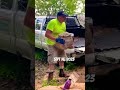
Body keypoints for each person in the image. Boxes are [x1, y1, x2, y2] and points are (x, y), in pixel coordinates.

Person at [45, 11, 68, 77]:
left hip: (60, 45)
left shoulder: (63, 23)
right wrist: (56, 39)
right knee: (52, 60)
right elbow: (47, 34)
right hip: (52, 44)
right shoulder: (53, 22)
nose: (65, 18)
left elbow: (63, 32)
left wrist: (66, 38)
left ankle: (61, 73)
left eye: (65, 17)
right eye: (63, 17)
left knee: (62, 58)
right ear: (58, 16)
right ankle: (50, 77)